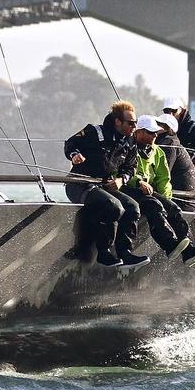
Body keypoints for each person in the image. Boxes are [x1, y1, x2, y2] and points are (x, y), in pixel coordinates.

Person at [63, 101, 147, 269]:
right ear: (118, 122)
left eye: (135, 123)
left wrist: (121, 180)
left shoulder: (130, 141)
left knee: (132, 207)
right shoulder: (94, 132)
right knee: (113, 206)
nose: (134, 126)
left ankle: (125, 253)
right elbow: (70, 143)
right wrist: (74, 155)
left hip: (104, 186)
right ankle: (103, 252)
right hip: (79, 183)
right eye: (131, 123)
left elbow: (131, 167)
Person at [122, 115, 195, 267]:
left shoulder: (157, 151)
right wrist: (138, 182)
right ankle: (170, 245)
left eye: (156, 132)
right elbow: (122, 170)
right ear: (139, 132)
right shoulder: (128, 147)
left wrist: (165, 199)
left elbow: (164, 179)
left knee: (173, 207)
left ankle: (188, 250)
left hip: (147, 191)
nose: (155, 135)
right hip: (129, 188)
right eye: (151, 132)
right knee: (154, 206)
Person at [154, 113, 195, 211]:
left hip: (183, 201)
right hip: (183, 198)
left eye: (159, 124)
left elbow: (163, 173)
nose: (155, 127)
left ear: (167, 129)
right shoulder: (169, 142)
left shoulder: (169, 144)